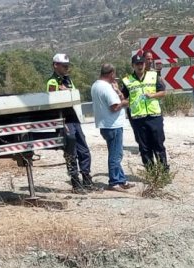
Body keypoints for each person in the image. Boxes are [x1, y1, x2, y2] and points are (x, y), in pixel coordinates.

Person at [47, 53, 94, 192]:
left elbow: (73, 94)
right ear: (56, 65)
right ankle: (75, 181)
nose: (67, 68)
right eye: (64, 66)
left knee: (83, 149)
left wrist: (67, 91)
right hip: (63, 119)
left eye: (68, 66)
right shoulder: (52, 82)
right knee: (70, 150)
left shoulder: (68, 80)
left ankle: (86, 177)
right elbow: (53, 101)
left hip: (74, 117)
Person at [120, 51, 169, 171]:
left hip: (154, 116)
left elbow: (163, 92)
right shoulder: (127, 80)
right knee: (144, 147)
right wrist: (117, 92)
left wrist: (152, 95)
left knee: (158, 144)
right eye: (137, 64)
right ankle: (151, 173)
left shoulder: (153, 76)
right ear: (133, 65)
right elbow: (123, 98)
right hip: (138, 118)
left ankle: (163, 171)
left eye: (141, 63)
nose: (140, 66)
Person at [91, 63, 133, 192]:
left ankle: (121, 179)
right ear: (111, 74)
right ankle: (114, 182)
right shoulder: (106, 88)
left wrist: (118, 92)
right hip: (113, 125)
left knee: (115, 153)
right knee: (115, 155)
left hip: (105, 125)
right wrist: (125, 102)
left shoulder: (95, 85)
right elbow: (114, 107)